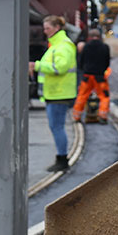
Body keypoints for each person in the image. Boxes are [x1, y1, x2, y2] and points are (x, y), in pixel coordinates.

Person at [30, 15, 77, 172]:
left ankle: (62, 160)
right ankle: (61, 158)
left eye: (47, 28)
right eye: (44, 28)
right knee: (56, 126)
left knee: (57, 127)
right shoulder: (57, 45)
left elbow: (59, 68)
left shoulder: (62, 46)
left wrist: (37, 66)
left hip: (59, 93)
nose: (44, 31)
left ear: (57, 28)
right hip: (55, 93)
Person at [72, 28, 112, 123]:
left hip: (87, 76)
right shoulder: (104, 47)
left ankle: (77, 116)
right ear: (99, 36)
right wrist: (103, 69)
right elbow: (107, 62)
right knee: (104, 96)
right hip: (100, 77)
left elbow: (80, 61)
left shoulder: (86, 47)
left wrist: (83, 69)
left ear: (89, 37)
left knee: (82, 95)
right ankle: (102, 116)